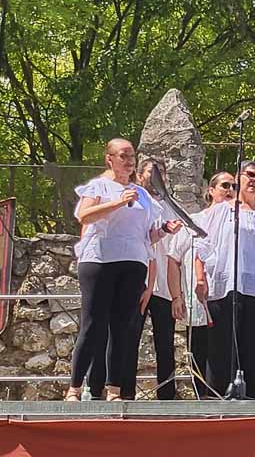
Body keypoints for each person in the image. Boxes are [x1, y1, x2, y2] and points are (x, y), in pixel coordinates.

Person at [65, 138, 182, 402]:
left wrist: (165, 230)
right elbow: (84, 216)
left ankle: (114, 390)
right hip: (100, 260)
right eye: (123, 156)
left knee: (122, 327)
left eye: (132, 157)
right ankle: (74, 388)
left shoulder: (141, 195)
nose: (129, 161)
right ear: (109, 159)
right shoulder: (99, 186)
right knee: (93, 324)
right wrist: (118, 202)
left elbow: (146, 236)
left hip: (133, 263)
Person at [195, 160, 255, 400]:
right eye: (250, 174)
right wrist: (200, 279)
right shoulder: (220, 211)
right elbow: (201, 247)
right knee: (223, 346)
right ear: (238, 177)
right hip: (227, 285)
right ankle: (219, 398)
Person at [167, 171, 235, 398]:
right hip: (197, 301)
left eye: (234, 186)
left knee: (224, 352)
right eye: (225, 185)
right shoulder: (194, 221)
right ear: (211, 190)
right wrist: (176, 297)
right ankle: (202, 400)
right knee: (199, 351)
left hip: (225, 300)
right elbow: (173, 259)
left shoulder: (237, 222)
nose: (230, 190)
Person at [121, 158, 179, 400]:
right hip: (139, 281)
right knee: (129, 339)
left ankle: (167, 396)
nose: (158, 177)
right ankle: (125, 393)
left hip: (164, 285)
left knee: (165, 343)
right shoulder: (135, 202)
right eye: (152, 171)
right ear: (140, 175)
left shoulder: (171, 207)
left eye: (161, 172)